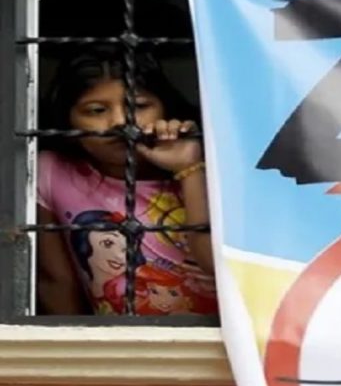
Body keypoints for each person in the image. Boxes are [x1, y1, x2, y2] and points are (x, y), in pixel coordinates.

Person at [35, 46, 217, 316]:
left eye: (139, 106)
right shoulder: (53, 171)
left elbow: (219, 265)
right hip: (118, 339)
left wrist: (189, 169)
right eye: (96, 110)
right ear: (68, 120)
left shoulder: (211, 165)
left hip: (212, 337)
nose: (120, 121)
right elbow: (56, 282)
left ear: (164, 108)